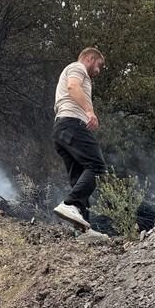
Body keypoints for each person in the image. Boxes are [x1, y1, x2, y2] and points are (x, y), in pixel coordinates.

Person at [52, 48, 107, 232]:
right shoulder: (77, 67)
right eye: (99, 65)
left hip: (61, 130)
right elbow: (73, 86)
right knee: (97, 166)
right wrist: (89, 111)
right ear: (91, 58)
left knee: (78, 180)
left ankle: (83, 230)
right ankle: (70, 204)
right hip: (72, 124)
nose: (98, 71)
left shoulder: (75, 71)